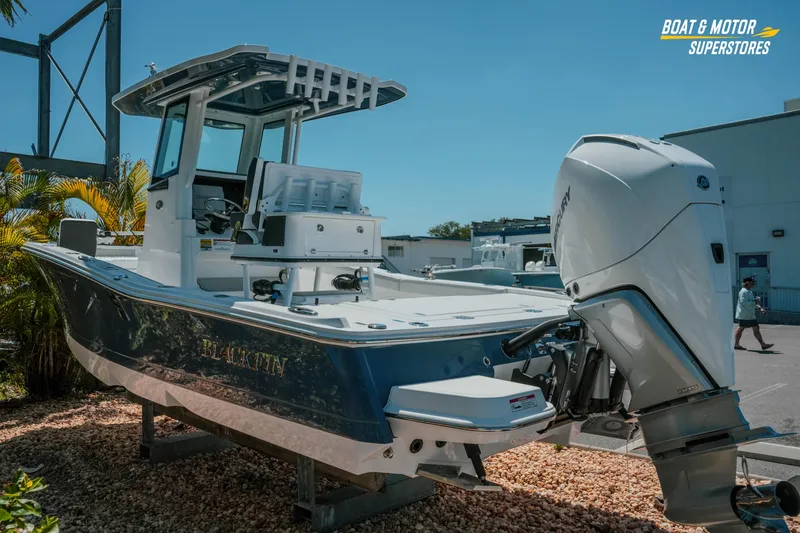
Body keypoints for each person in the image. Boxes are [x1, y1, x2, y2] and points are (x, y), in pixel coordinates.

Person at [734, 276, 773, 350]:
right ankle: (762, 344)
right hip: (745, 314)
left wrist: (760, 308)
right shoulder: (743, 292)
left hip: (748, 314)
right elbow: (744, 302)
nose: (753, 284)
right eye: (752, 283)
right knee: (746, 328)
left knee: (745, 328)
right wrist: (755, 301)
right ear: (747, 283)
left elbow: (752, 302)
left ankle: (737, 344)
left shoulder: (749, 291)